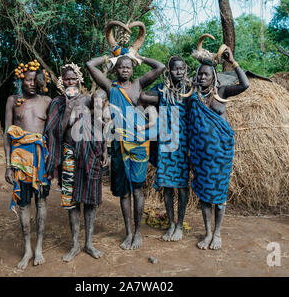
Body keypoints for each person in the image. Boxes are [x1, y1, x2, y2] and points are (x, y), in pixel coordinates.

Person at [86, 51, 165, 250]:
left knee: (137, 190)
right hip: (119, 145)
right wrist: (109, 59)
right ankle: (128, 232)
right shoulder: (110, 86)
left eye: (129, 66)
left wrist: (140, 57)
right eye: (121, 66)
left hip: (139, 145)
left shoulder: (139, 84)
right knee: (123, 192)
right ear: (116, 68)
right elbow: (89, 65)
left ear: (133, 69)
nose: (125, 69)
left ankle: (138, 232)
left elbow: (160, 67)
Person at [187, 44, 250, 250]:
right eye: (200, 75)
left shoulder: (222, 91)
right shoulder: (193, 97)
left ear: (214, 76)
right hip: (201, 155)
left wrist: (232, 62)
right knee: (205, 195)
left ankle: (218, 233)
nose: (203, 78)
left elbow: (245, 84)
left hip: (221, 154)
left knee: (219, 196)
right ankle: (207, 233)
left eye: (206, 75)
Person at [45, 64, 107, 262]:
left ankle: (89, 243)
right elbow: (54, 131)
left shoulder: (89, 100)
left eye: (73, 79)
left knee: (89, 202)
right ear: (62, 82)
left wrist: (104, 150)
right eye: (66, 79)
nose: (70, 82)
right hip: (68, 155)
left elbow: (100, 126)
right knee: (71, 202)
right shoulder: (57, 103)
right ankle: (75, 244)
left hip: (89, 155)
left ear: (79, 80)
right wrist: (68, 108)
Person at [4, 60, 51, 269]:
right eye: (28, 80)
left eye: (35, 80)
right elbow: (7, 134)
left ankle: (39, 247)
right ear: (21, 80)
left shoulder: (47, 101)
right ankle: (27, 248)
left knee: (41, 203)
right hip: (20, 160)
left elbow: (53, 133)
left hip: (41, 159)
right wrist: (7, 165)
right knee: (23, 205)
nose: (31, 83)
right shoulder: (13, 101)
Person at [149, 55, 191, 242]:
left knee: (182, 187)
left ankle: (180, 225)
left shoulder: (190, 90)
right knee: (167, 186)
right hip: (166, 142)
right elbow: (141, 95)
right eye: (175, 69)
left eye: (182, 69)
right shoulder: (161, 89)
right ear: (169, 70)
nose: (179, 72)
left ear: (186, 69)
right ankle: (171, 224)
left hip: (183, 143)